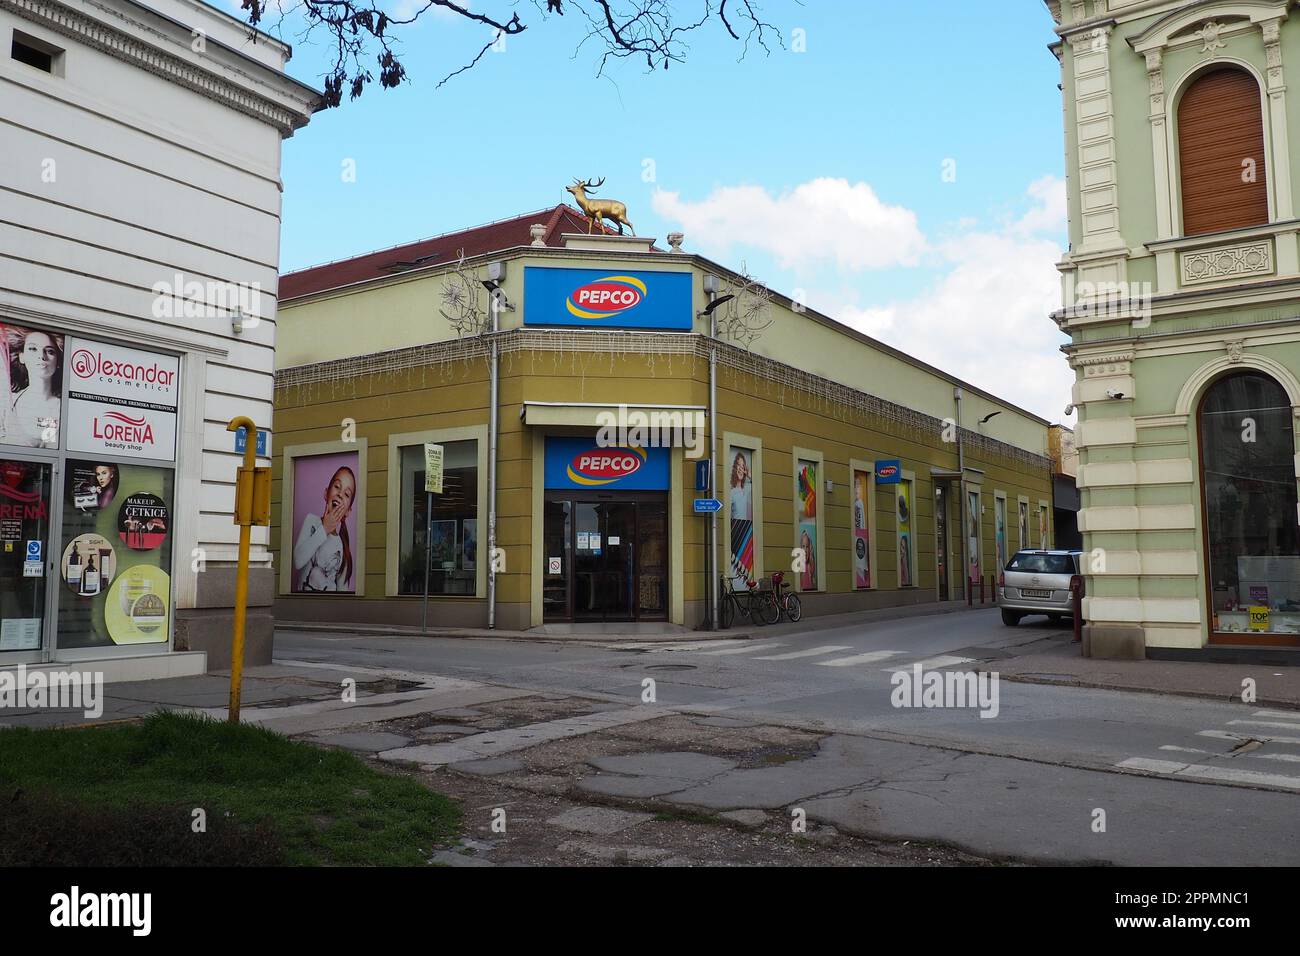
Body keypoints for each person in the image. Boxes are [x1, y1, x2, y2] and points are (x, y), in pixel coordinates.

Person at [293, 466, 356, 592]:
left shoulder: (343, 547)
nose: (340, 494)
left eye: (346, 494)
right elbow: (298, 561)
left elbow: (342, 592)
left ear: (348, 511)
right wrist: (325, 528)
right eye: (337, 487)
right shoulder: (311, 521)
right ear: (326, 493)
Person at [0, 329, 62, 448]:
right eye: (33, 349)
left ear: (57, 361)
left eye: (50, 351)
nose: (41, 356)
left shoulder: (64, 408)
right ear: (21, 357)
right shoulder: (7, 404)